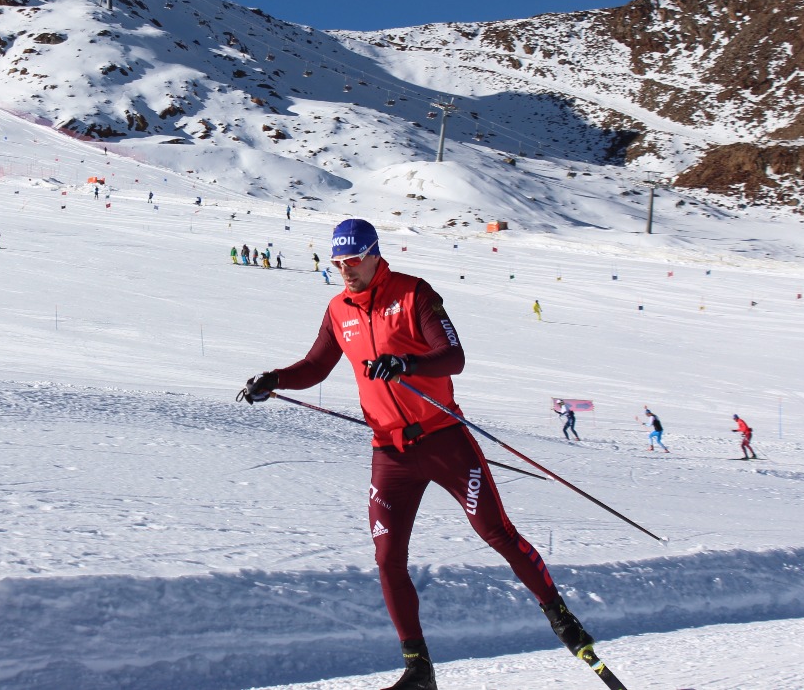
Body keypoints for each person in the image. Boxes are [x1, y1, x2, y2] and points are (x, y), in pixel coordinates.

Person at [239, 219, 596, 690]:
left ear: (373, 255)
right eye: (338, 263)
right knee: (388, 557)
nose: (346, 271)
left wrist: (405, 363)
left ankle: (562, 620)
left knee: (496, 532)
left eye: (353, 261)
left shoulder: (413, 294)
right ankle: (418, 669)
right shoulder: (337, 309)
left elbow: (453, 356)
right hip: (390, 452)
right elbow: (316, 365)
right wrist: (274, 379)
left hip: (444, 437)